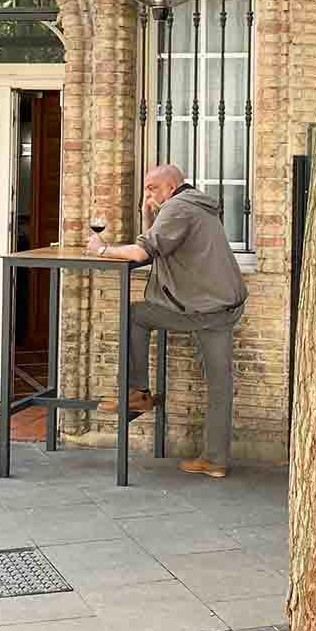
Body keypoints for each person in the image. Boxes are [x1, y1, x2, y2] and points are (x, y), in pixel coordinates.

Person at [88, 163, 247, 478]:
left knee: (137, 314)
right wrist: (149, 216)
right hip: (225, 305)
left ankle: (137, 392)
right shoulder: (195, 204)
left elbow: (142, 253)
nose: (147, 193)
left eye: (153, 187)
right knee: (220, 385)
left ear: (172, 187)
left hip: (202, 308)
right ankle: (215, 460)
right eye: (146, 187)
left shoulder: (177, 209)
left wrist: (102, 249)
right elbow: (160, 239)